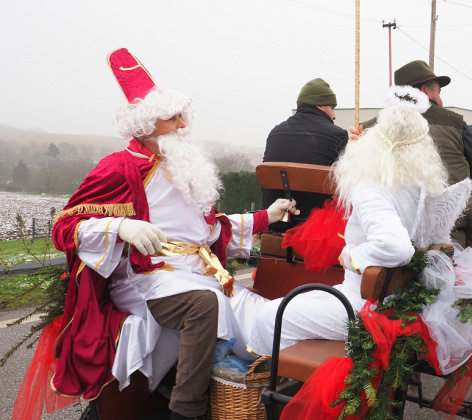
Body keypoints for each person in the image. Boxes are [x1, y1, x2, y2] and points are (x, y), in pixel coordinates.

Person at [48, 48, 295, 420]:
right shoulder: (119, 168)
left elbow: (209, 232)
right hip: (148, 277)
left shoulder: (184, 166)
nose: (182, 125)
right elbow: (66, 227)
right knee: (203, 305)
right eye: (171, 117)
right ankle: (186, 411)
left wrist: (266, 216)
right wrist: (120, 226)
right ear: (144, 125)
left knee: (268, 319)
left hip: (199, 273)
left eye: (182, 116)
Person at [248, 86, 472, 377]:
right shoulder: (421, 186)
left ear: (376, 141)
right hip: (395, 300)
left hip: (363, 306)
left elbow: (396, 247)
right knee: (296, 304)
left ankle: (279, 384)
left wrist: (352, 253)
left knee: (266, 317)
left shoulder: (371, 188)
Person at [357, 60, 472, 260]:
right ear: (425, 91)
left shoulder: (371, 127)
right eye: (438, 92)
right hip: (453, 238)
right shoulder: (454, 123)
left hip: (389, 232)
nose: (440, 98)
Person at [262, 78, 349, 231]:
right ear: (320, 105)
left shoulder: (275, 133)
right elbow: (347, 185)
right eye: (332, 108)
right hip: (317, 228)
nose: (334, 115)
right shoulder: (337, 135)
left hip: (277, 223)